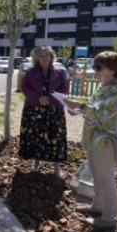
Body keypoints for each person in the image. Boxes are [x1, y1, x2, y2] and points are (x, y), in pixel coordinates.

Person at [64, 51, 117, 229]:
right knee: (97, 175)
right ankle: (97, 206)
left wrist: (79, 106)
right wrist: (79, 110)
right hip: (96, 140)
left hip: (107, 142)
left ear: (112, 69)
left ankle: (109, 218)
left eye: (98, 67)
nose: (95, 70)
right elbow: (92, 110)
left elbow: (103, 114)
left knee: (105, 179)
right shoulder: (103, 87)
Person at [19, 46, 69, 178]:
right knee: (36, 136)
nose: (45, 57)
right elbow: (24, 87)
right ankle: (36, 162)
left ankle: (57, 167)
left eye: (47, 55)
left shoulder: (60, 72)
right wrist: (38, 98)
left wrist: (50, 99)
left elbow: (64, 88)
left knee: (56, 137)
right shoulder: (30, 72)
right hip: (34, 109)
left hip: (54, 110)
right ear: (37, 58)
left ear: (52, 57)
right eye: (42, 55)